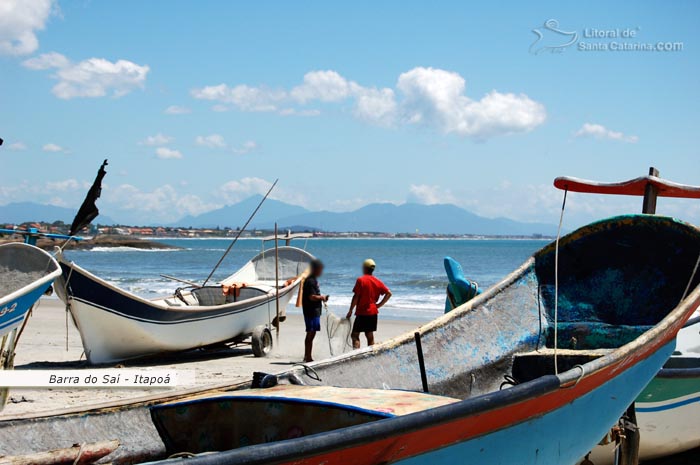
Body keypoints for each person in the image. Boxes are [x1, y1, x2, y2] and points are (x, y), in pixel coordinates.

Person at [346, 258, 392, 348]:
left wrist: (350, 310)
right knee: (369, 335)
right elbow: (389, 293)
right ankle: (371, 356)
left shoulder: (361, 280)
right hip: (373, 312)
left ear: (365, 268)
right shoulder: (377, 281)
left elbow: (356, 297)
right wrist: (378, 305)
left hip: (362, 312)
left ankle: (356, 355)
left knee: (355, 335)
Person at [302, 259, 329, 362]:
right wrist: (322, 297)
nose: (321, 272)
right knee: (311, 333)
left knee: (312, 333)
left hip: (313, 310)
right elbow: (311, 297)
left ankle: (307, 356)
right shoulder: (311, 281)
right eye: (320, 269)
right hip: (311, 311)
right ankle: (307, 357)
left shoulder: (312, 280)